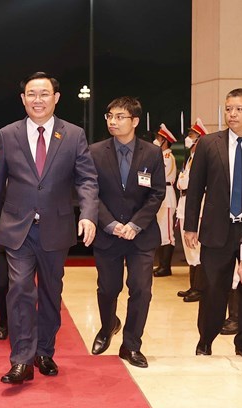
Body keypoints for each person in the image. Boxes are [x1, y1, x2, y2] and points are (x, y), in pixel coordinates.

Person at [0, 72, 99, 384]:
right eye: (32, 94)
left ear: (56, 98)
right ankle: (21, 360)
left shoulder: (73, 135)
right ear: (23, 99)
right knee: (19, 290)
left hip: (56, 229)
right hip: (17, 228)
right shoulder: (8, 134)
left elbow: (86, 179)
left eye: (44, 94)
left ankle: (44, 350)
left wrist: (87, 213)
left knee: (50, 292)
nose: (38, 100)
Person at [89, 97, 166, 368]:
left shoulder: (152, 153)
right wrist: (110, 224)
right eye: (109, 116)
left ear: (135, 121)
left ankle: (131, 344)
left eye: (120, 116)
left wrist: (135, 224)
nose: (113, 121)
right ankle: (107, 325)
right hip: (107, 233)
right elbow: (90, 193)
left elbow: (157, 193)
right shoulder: (95, 151)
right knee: (108, 289)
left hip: (141, 236)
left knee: (141, 289)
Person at [185, 88, 242, 362]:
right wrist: (190, 225)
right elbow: (195, 188)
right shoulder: (209, 144)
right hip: (217, 229)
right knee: (213, 287)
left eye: (239, 109)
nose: (232, 114)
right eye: (228, 108)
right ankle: (206, 339)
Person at [176, 119, 208, 303]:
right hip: (184, 203)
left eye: (192, 136)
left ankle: (199, 288)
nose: (188, 139)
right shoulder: (189, 158)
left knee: (197, 249)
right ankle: (193, 286)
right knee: (189, 251)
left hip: (197, 204)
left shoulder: (201, 160)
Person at [152, 123, 177, 277]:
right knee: (161, 232)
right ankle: (162, 265)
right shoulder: (161, 156)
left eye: (158, 138)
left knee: (167, 232)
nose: (156, 140)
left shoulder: (168, 156)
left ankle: (166, 267)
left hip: (167, 195)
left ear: (165, 140)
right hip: (161, 193)